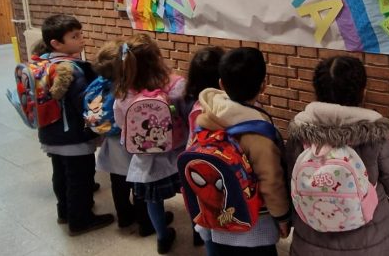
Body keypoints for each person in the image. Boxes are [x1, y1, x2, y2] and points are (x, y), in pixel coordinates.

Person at [285, 56, 389, 256]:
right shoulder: (376, 138)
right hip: (371, 239)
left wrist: (287, 220)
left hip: (312, 236)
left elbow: (290, 183)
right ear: (363, 91)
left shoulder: (299, 135)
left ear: (317, 91)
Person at [193, 47, 291, 256]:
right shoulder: (259, 135)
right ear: (263, 85)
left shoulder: (204, 120)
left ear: (221, 84)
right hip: (254, 224)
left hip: (215, 216)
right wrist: (282, 217)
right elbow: (271, 182)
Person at [38, 14, 114, 235]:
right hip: (72, 137)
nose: (82, 39)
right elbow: (86, 103)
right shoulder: (72, 69)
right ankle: (80, 220)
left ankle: (64, 212)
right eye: (74, 36)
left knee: (60, 173)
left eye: (80, 34)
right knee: (79, 178)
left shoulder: (43, 63)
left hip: (50, 134)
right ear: (56, 43)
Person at [113, 33, 186, 254]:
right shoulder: (176, 85)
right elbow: (185, 113)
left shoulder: (123, 94)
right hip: (178, 151)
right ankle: (199, 233)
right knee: (190, 193)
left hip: (145, 159)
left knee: (152, 201)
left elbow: (119, 122)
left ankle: (163, 237)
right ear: (157, 58)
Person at [92, 40, 154, 236]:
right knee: (138, 183)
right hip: (128, 144)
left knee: (118, 185)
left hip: (111, 144)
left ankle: (124, 217)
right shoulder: (125, 90)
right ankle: (145, 222)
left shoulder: (99, 85)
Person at [178, 45, 225, 247]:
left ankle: (199, 234)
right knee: (213, 204)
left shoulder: (187, 99)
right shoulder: (219, 107)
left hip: (192, 159)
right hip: (214, 164)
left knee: (197, 200)